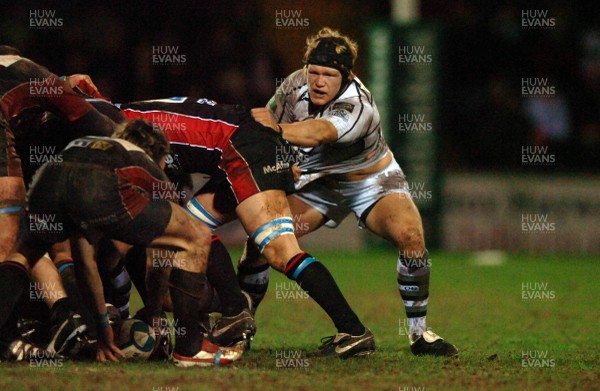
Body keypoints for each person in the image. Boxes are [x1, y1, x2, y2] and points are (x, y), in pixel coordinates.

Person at [241, 27, 458, 356]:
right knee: (263, 239)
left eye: (329, 74)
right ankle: (241, 326)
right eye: (314, 71)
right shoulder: (293, 84)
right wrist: (281, 159)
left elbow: (320, 132)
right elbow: (266, 128)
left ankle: (418, 334)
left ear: (346, 76)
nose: (318, 81)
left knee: (412, 236)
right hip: (319, 183)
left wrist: (279, 131)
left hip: (371, 182)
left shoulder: (358, 105)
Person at [120, 97, 375, 358]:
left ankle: (353, 331)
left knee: (280, 251)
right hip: (243, 146)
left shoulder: (119, 132)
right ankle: (234, 310)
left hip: (245, 148)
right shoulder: (128, 124)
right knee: (192, 226)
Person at [0, 120, 244, 366]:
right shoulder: (146, 164)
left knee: (23, 256)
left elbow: (86, 264)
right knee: (197, 235)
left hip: (47, 178)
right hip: (95, 186)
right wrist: (154, 311)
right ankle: (189, 348)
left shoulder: (92, 146)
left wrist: (102, 325)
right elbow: (159, 260)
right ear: (159, 155)